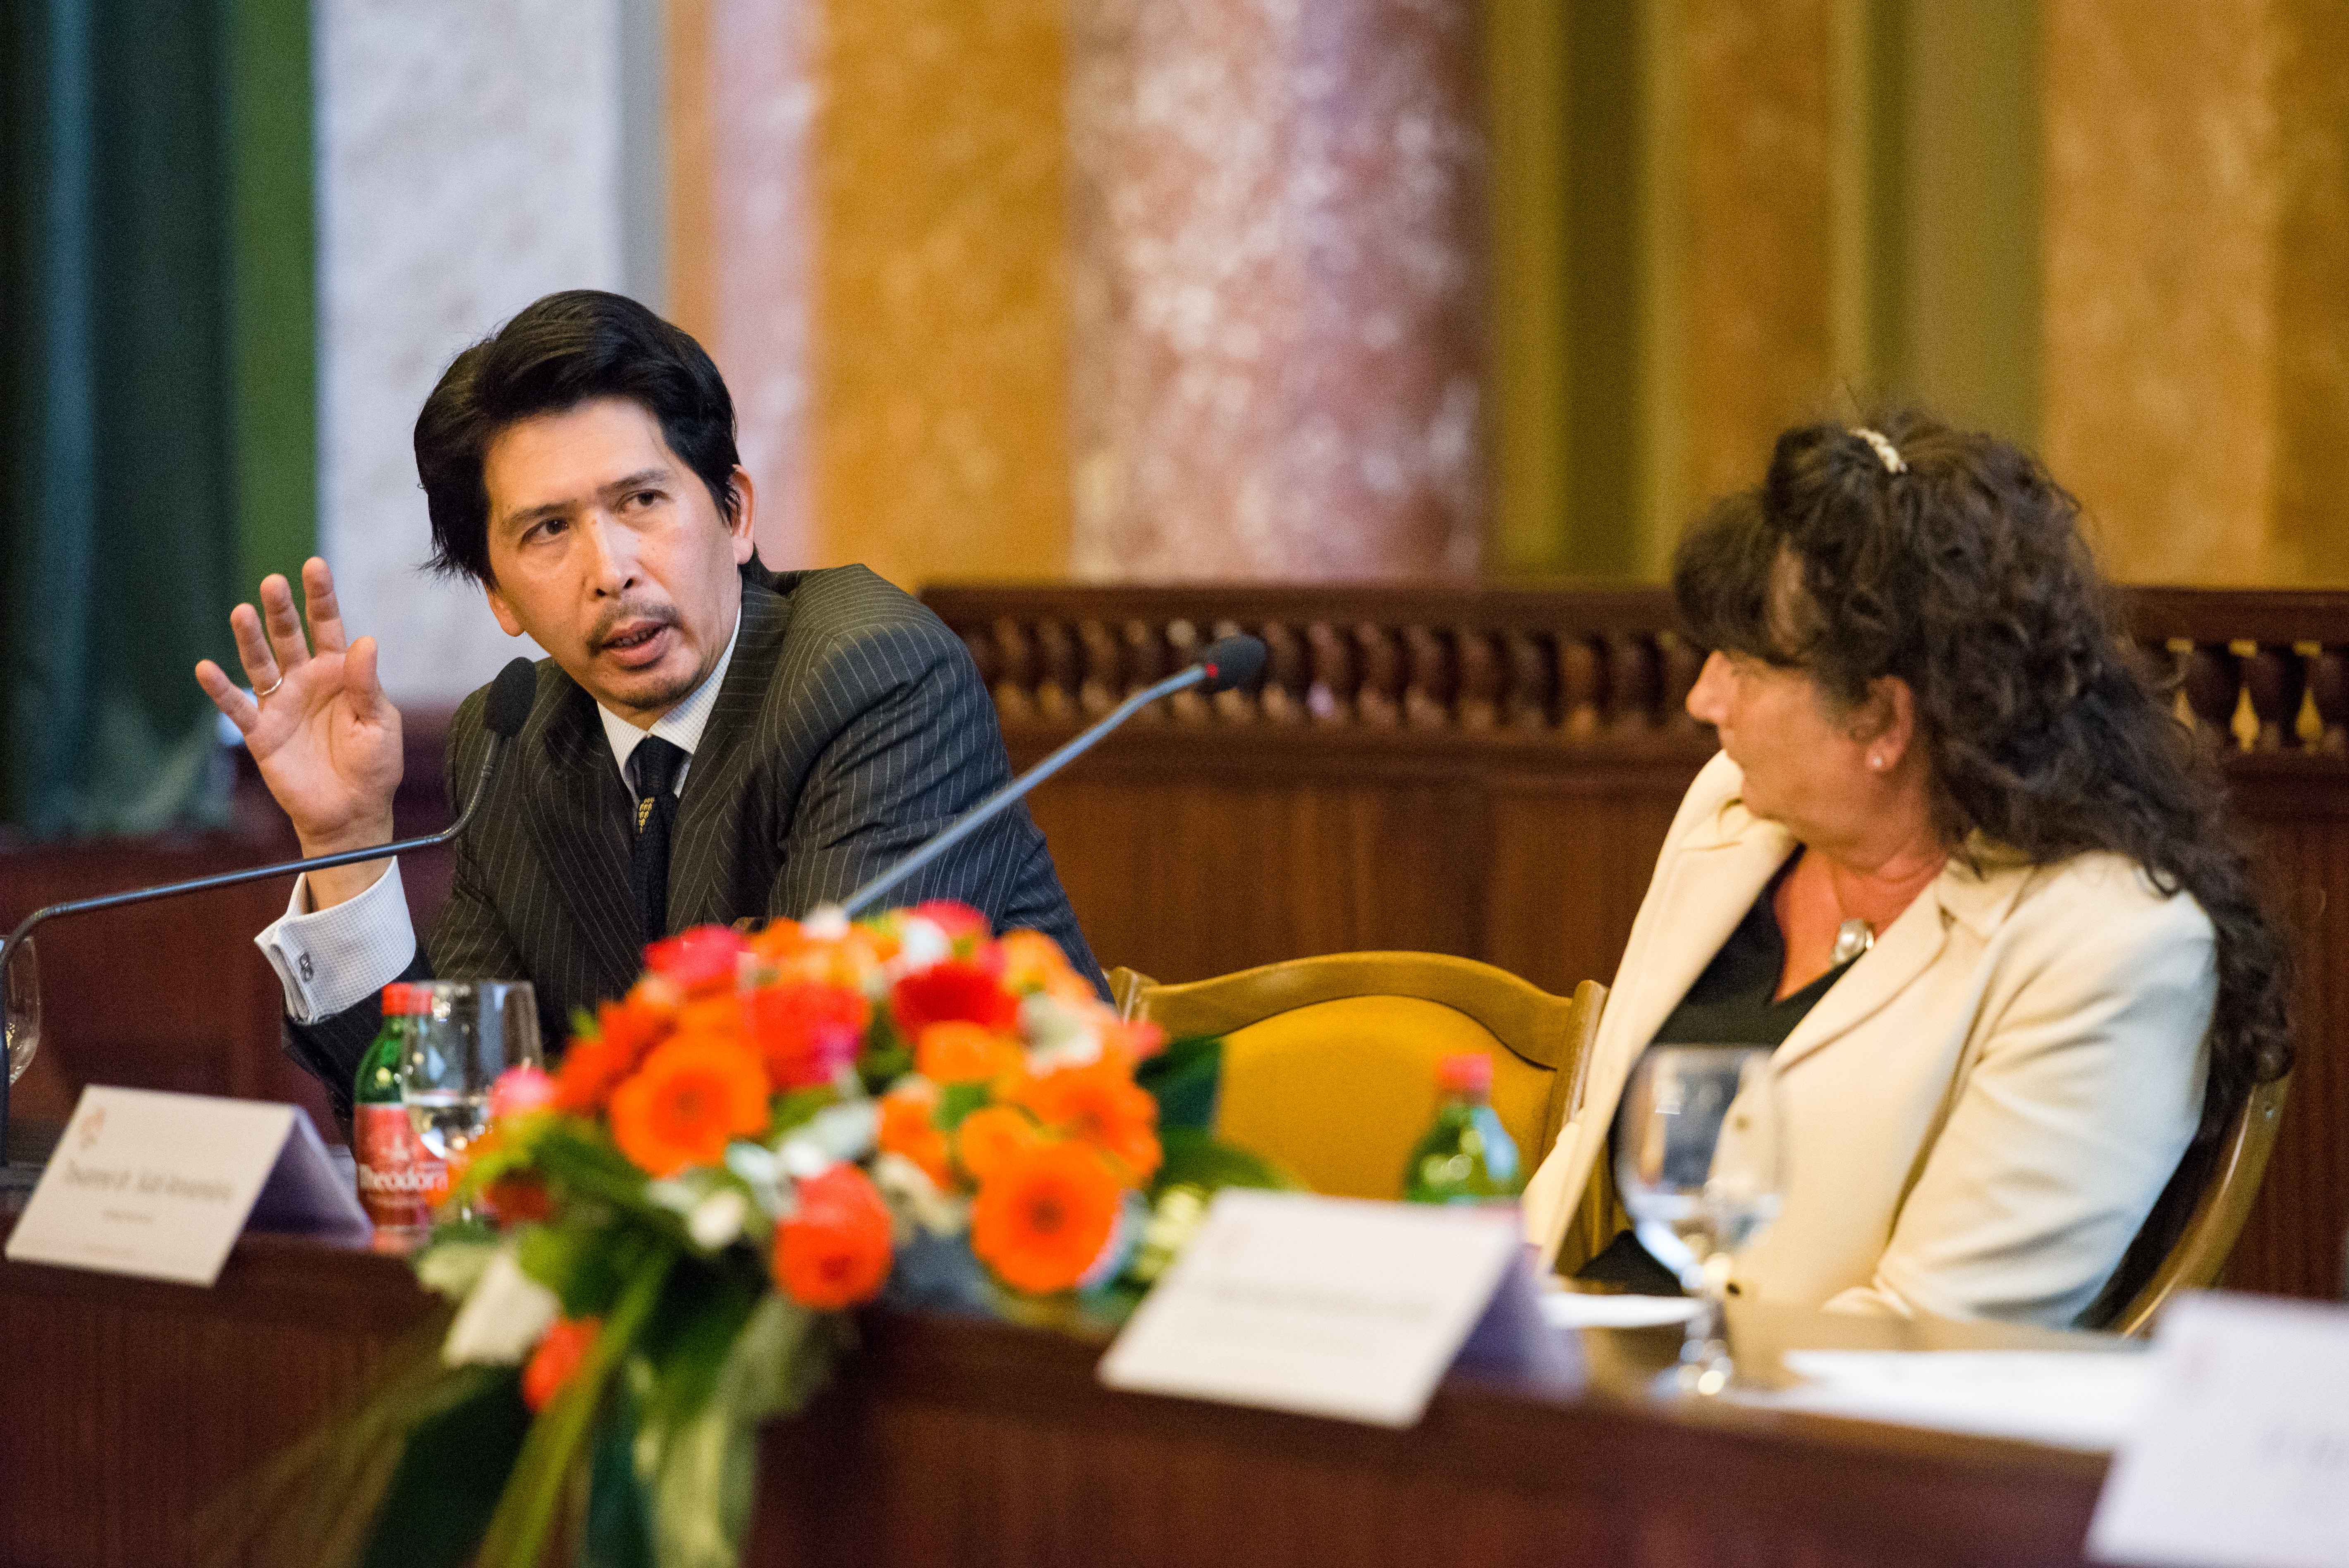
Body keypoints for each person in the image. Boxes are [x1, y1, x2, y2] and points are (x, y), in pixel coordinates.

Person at [195, 290, 1101, 1122]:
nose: (611, 570)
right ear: (499, 597)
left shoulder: (871, 676)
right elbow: (445, 1125)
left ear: (734, 513)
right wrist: (347, 842)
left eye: (641, 501)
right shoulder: (510, 743)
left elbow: (818, 1071)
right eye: (549, 530)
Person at [1521, 411, 2292, 1327]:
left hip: (1810, 1408)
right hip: (1582, 1371)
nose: (1703, 698)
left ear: (1883, 719)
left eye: (1747, 667)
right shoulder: (1730, 812)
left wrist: (1633, 1383)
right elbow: (1589, 1158)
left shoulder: (2113, 947)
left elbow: (1934, 1329)